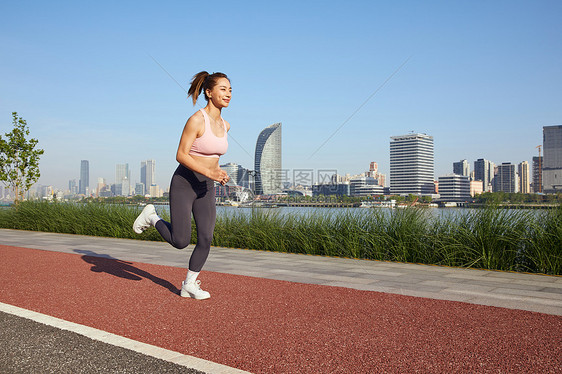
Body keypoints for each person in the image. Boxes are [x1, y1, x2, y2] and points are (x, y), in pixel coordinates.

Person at [133, 71, 231, 300]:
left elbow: (212, 156)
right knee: (180, 241)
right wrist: (208, 171)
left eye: (230, 90)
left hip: (206, 186)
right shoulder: (197, 120)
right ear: (209, 92)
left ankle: (189, 284)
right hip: (185, 183)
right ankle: (151, 217)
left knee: (206, 237)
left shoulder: (226, 125)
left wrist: (217, 172)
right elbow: (181, 154)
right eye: (223, 89)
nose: (228, 94)